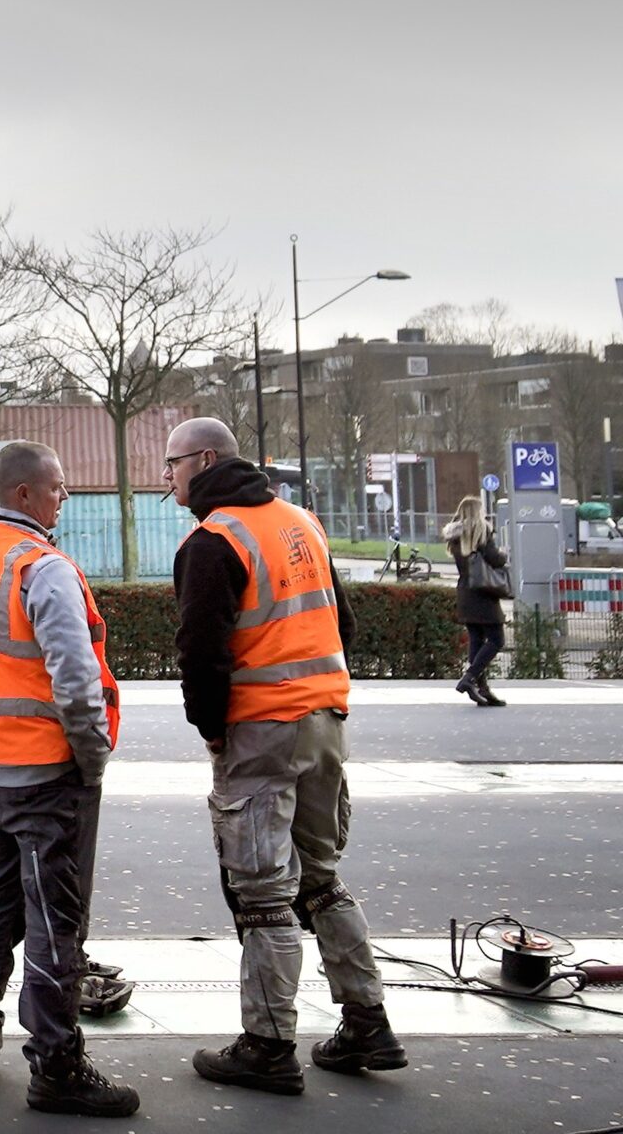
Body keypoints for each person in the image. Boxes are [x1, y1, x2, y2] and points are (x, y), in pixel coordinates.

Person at [163, 417, 403, 1096]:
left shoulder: (213, 541)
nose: (168, 477)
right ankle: (368, 1023)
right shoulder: (302, 523)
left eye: (172, 464)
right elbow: (342, 623)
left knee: (263, 892)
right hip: (325, 721)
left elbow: (201, 653)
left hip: (262, 730)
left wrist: (213, 729)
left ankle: (267, 1045)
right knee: (321, 878)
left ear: (205, 460)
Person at [0, 439, 140, 1118]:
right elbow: (75, 681)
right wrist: (93, 757)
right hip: (47, 771)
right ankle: (57, 1066)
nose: (64, 496)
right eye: (57, 486)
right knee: (56, 919)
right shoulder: (41, 566)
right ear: (23, 493)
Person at [443, 496, 510, 707]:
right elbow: (495, 559)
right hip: (484, 592)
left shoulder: (455, 537)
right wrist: (504, 554)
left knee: (476, 640)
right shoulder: (481, 532)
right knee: (497, 639)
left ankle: (482, 689)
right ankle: (469, 678)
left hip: (465, 593)